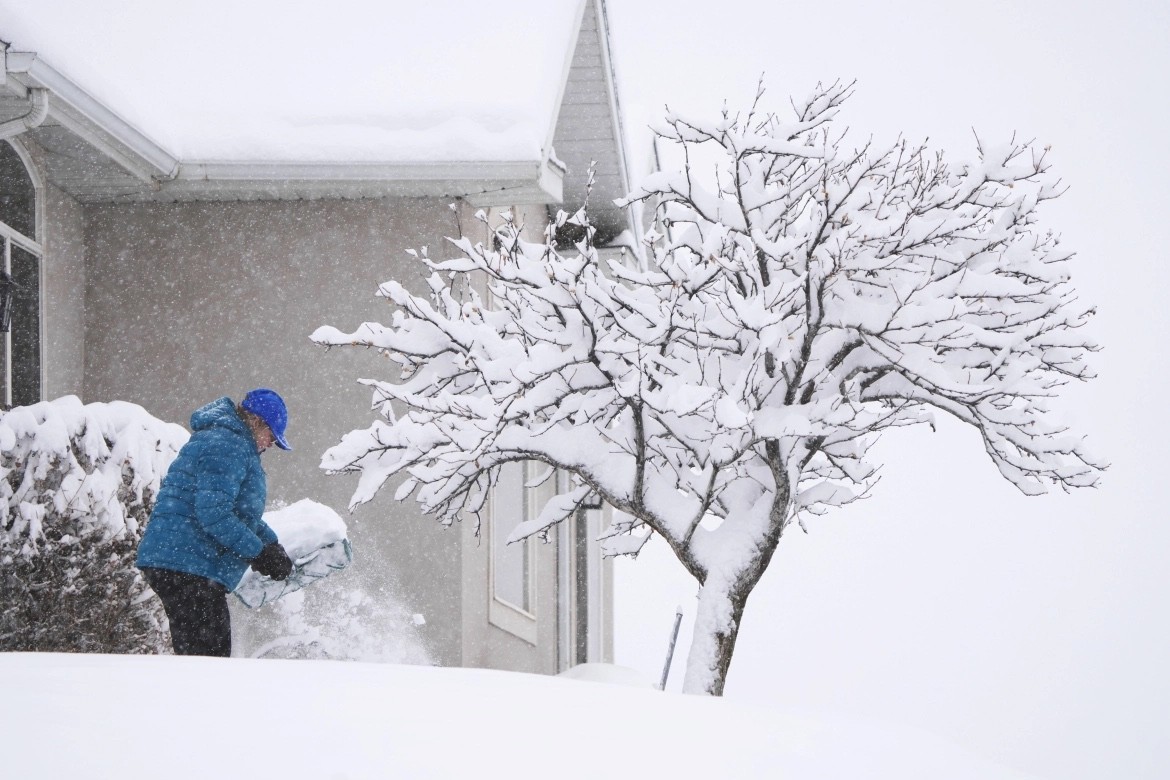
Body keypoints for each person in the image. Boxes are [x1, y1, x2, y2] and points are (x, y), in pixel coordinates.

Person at [136, 388, 295, 657]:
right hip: (185, 564)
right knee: (209, 660)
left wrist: (271, 544)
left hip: (184, 564)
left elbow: (240, 512)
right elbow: (214, 514)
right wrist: (258, 553)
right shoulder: (228, 444)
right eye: (271, 436)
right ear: (257, 422)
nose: (270, 444)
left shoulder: (231, 443)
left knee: (206, 657)